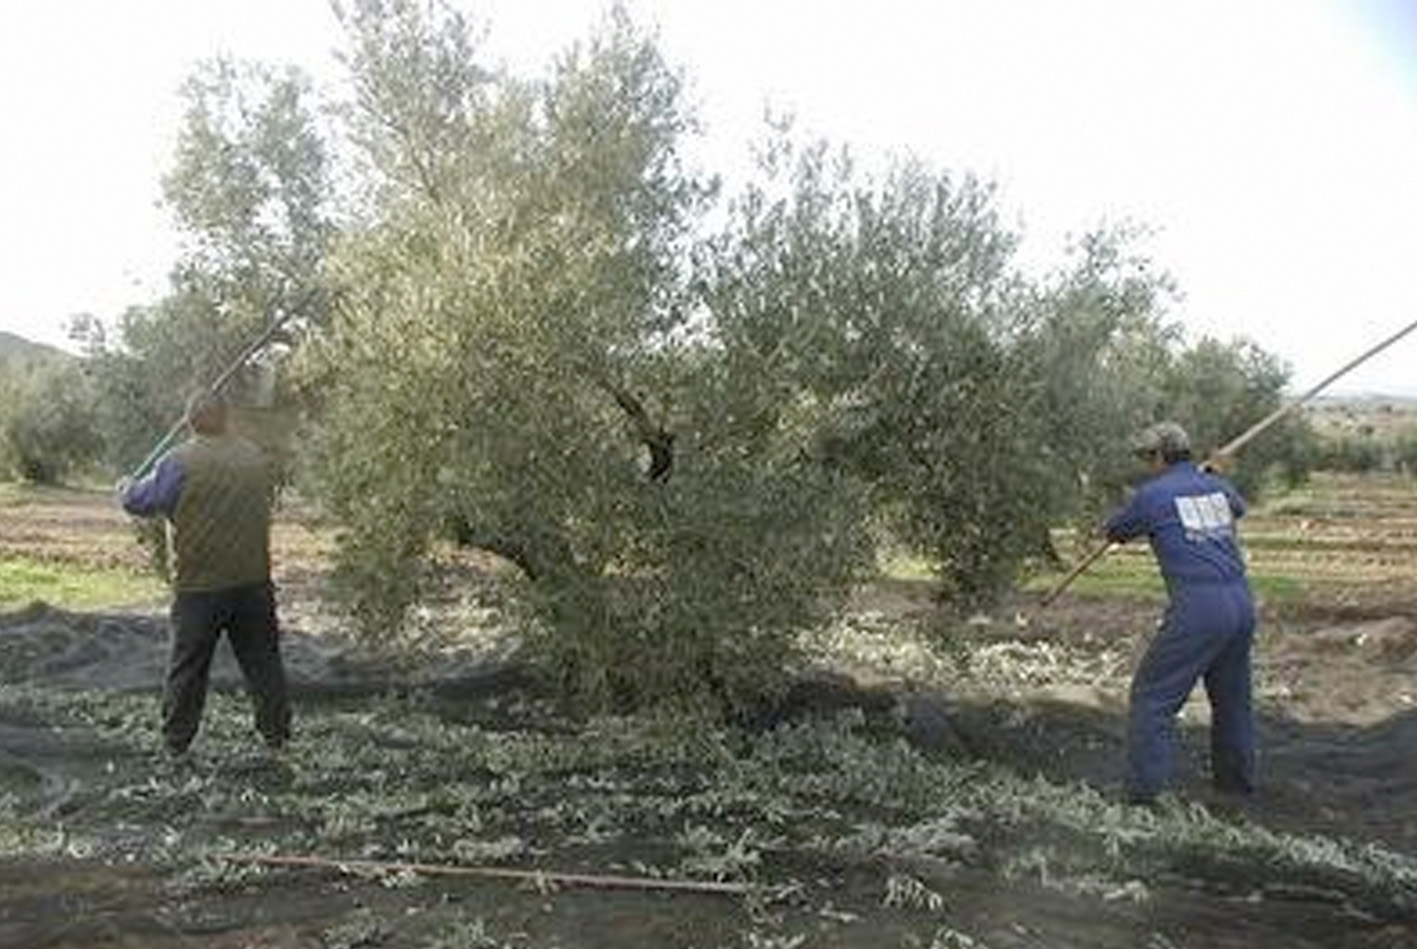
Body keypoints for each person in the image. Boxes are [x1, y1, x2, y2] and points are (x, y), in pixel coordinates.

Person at [118, 391, 291, 761]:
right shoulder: (254, 457)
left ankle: (176, 744)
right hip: (253, 582)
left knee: (188, 668)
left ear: (190, 422)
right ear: (226, 419)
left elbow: (142, 502)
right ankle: (277, 737)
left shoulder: (177, 461)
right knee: (263, 663)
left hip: (200, 587)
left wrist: (124, 489)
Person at [1103, 421, 1256, 806]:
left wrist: (1131, 504)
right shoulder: (1217, 486)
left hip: (1199, 608)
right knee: (1232, 699)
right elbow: (1238, 507)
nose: (1144, 465)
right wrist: (1216, 474)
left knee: (1151, 699)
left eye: (1145, 458)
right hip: (1240, 602)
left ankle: (1142, 799)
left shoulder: (1152, 495)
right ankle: (1235, 786)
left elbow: (1115, 531)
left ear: (1158, 456)